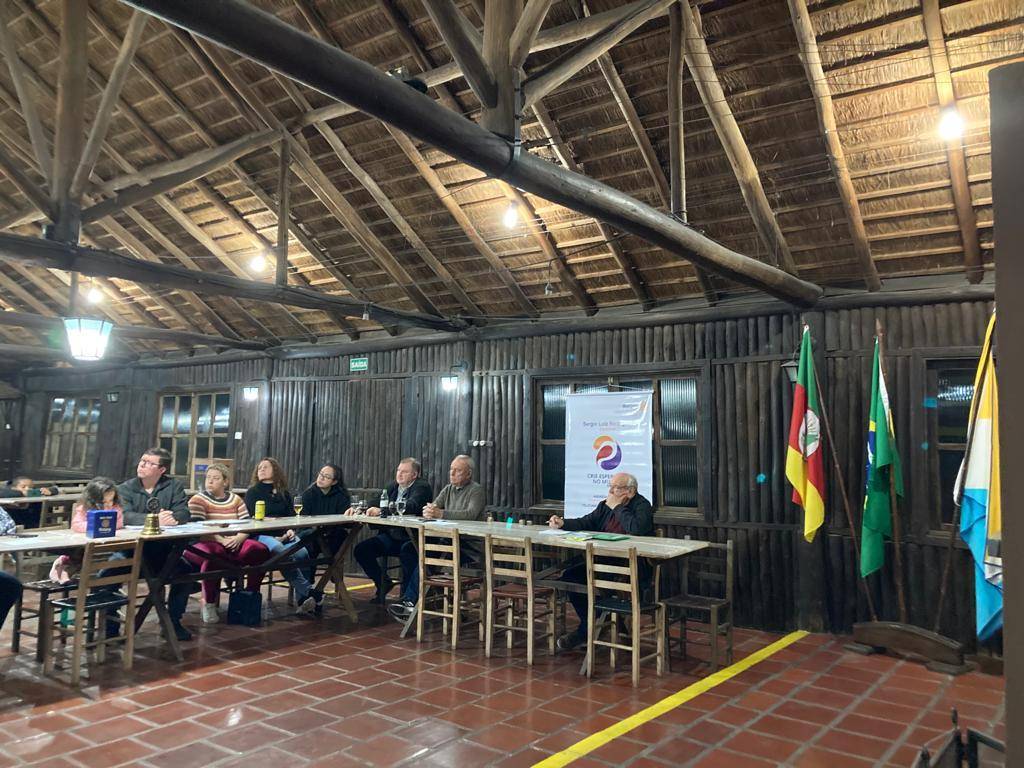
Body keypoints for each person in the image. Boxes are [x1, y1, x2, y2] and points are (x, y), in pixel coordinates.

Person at [547, 472, 654, 652]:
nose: (611, 491)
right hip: (602, 561)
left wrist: (617, 507)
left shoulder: (642, 505)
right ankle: (595, 623)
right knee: (569, 577)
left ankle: (586, 631)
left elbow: (636, 529)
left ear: (630, 491)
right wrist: (562, 524)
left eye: (616, 488)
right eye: (610, 487)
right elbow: (586, 522)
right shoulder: (605, 506)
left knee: (593, 583)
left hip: (628, 568)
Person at [388, 455, 485, 621]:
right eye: (451, 469)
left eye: (458, 470)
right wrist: (429, 510)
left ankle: (411, 602)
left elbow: (471, 514)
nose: (452, 473)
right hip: (448, 541)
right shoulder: (448, 489)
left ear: (468, 474)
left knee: (428, 556)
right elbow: (434, 506)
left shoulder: (476, 490)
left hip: (468, 546)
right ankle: (421, 596)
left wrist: (441, 513)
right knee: (409, 549)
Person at [117, 448, 195, 641]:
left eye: (149, 463)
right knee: (106, 576)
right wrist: (155, 519)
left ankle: (172, 623)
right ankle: (110, 629)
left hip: (163, 550)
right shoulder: (126, 488)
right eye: (142, 461)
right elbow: (125, 516)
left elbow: (184, 512)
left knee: (186, 573)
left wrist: (173, 518)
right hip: (131, 551)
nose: (142, 465)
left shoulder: (173, 486)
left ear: (162, 470)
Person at [186, 464, 270, 624]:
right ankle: (209, 602)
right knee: (214, 554)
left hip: (233, 540)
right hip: (205, 542)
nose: (210, 481)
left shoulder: (235, 499)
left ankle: (250, 596)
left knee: (259, 549)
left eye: (215, 478)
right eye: (208, 478)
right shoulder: (198, 499)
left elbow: (248, 524)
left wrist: (239, 538)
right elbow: (198, 529)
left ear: (225, 482)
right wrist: (221, 539)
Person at [349, 458, 432, 602]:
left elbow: (411, 506)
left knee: (408, 552)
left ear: (414, 475)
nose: (399, 474)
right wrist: (360, 509)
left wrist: (382, 510)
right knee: (361, 550)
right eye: (398, 470)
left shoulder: (422, 487)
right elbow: (375, 501)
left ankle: (407, 600)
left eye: (404, 472)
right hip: (391, 537)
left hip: (411, 538)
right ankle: (383, 583)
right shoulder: (393, 486)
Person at [245, 458, 320, 614]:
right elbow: (251, 518)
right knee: (281, 552)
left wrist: (290, 530)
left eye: (266, 467)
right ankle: (309, 592)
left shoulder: (283, 493)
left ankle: (303, 601)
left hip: (284, 534)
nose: (261, 469)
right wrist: (274, 528)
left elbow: (291, 516)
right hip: (263, 535)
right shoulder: (253, 492)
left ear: (275, 470)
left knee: (302, 553)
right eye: (259, 468)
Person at [49, 478, 126, 583]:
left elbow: (119, 523)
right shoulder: (85, 509)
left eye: (111, 501)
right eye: (103, 502)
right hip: (86, 543)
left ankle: (104, 579)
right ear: (93, 500)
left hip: (106, 542)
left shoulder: (115, 508)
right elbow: (76, 525)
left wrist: (110, 525)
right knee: (80, 554)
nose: (108, 504)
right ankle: (64, 566)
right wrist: (96, 525)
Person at [298, 463, 350, 607]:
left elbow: (345, 520)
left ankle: (333, 569)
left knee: (341, 535)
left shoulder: (342, 496)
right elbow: (303, 519)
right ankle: (309, 585)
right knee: (308, 539)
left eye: (326, 476)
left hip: (332, 533)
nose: (321, 478)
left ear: (334, 481)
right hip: (312, 532)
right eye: (321, 474)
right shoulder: (309, 494)